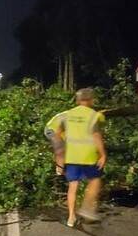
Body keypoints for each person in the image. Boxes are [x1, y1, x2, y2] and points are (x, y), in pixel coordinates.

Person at [44, 87, 107, 228]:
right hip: (89, 156)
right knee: (95, 181)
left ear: (77, 100)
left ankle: (71, 217)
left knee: (73, 186)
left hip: (72, 156)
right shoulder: (93, 115)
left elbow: (58, 134)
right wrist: (103, 154)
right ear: (91, 100)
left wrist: (61, 151)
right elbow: (96, 136)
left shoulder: (68, 115)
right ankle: (86, 208)